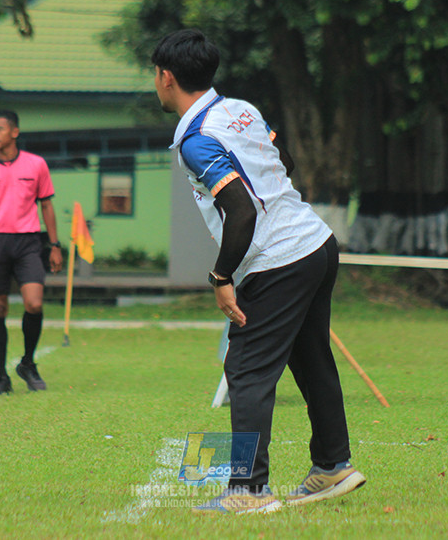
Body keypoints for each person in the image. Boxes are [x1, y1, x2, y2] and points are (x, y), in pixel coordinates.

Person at [152, 29, 366, 514]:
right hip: (316, 242)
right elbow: (282, 161)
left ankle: (248, 491)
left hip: (278, 259)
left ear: (166, 77)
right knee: (312, 360)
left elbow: (242, 212)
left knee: (245, 370)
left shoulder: (196, 138)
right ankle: (333, 466)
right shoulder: (239, 109)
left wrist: (221, 278)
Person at [0, 110, 64, 394]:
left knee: (34, 303)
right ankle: (1, 378)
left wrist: (55, 245)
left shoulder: (36, 165)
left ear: (14, 132)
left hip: (29, 243)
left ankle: (28, 363)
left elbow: (47, 206)